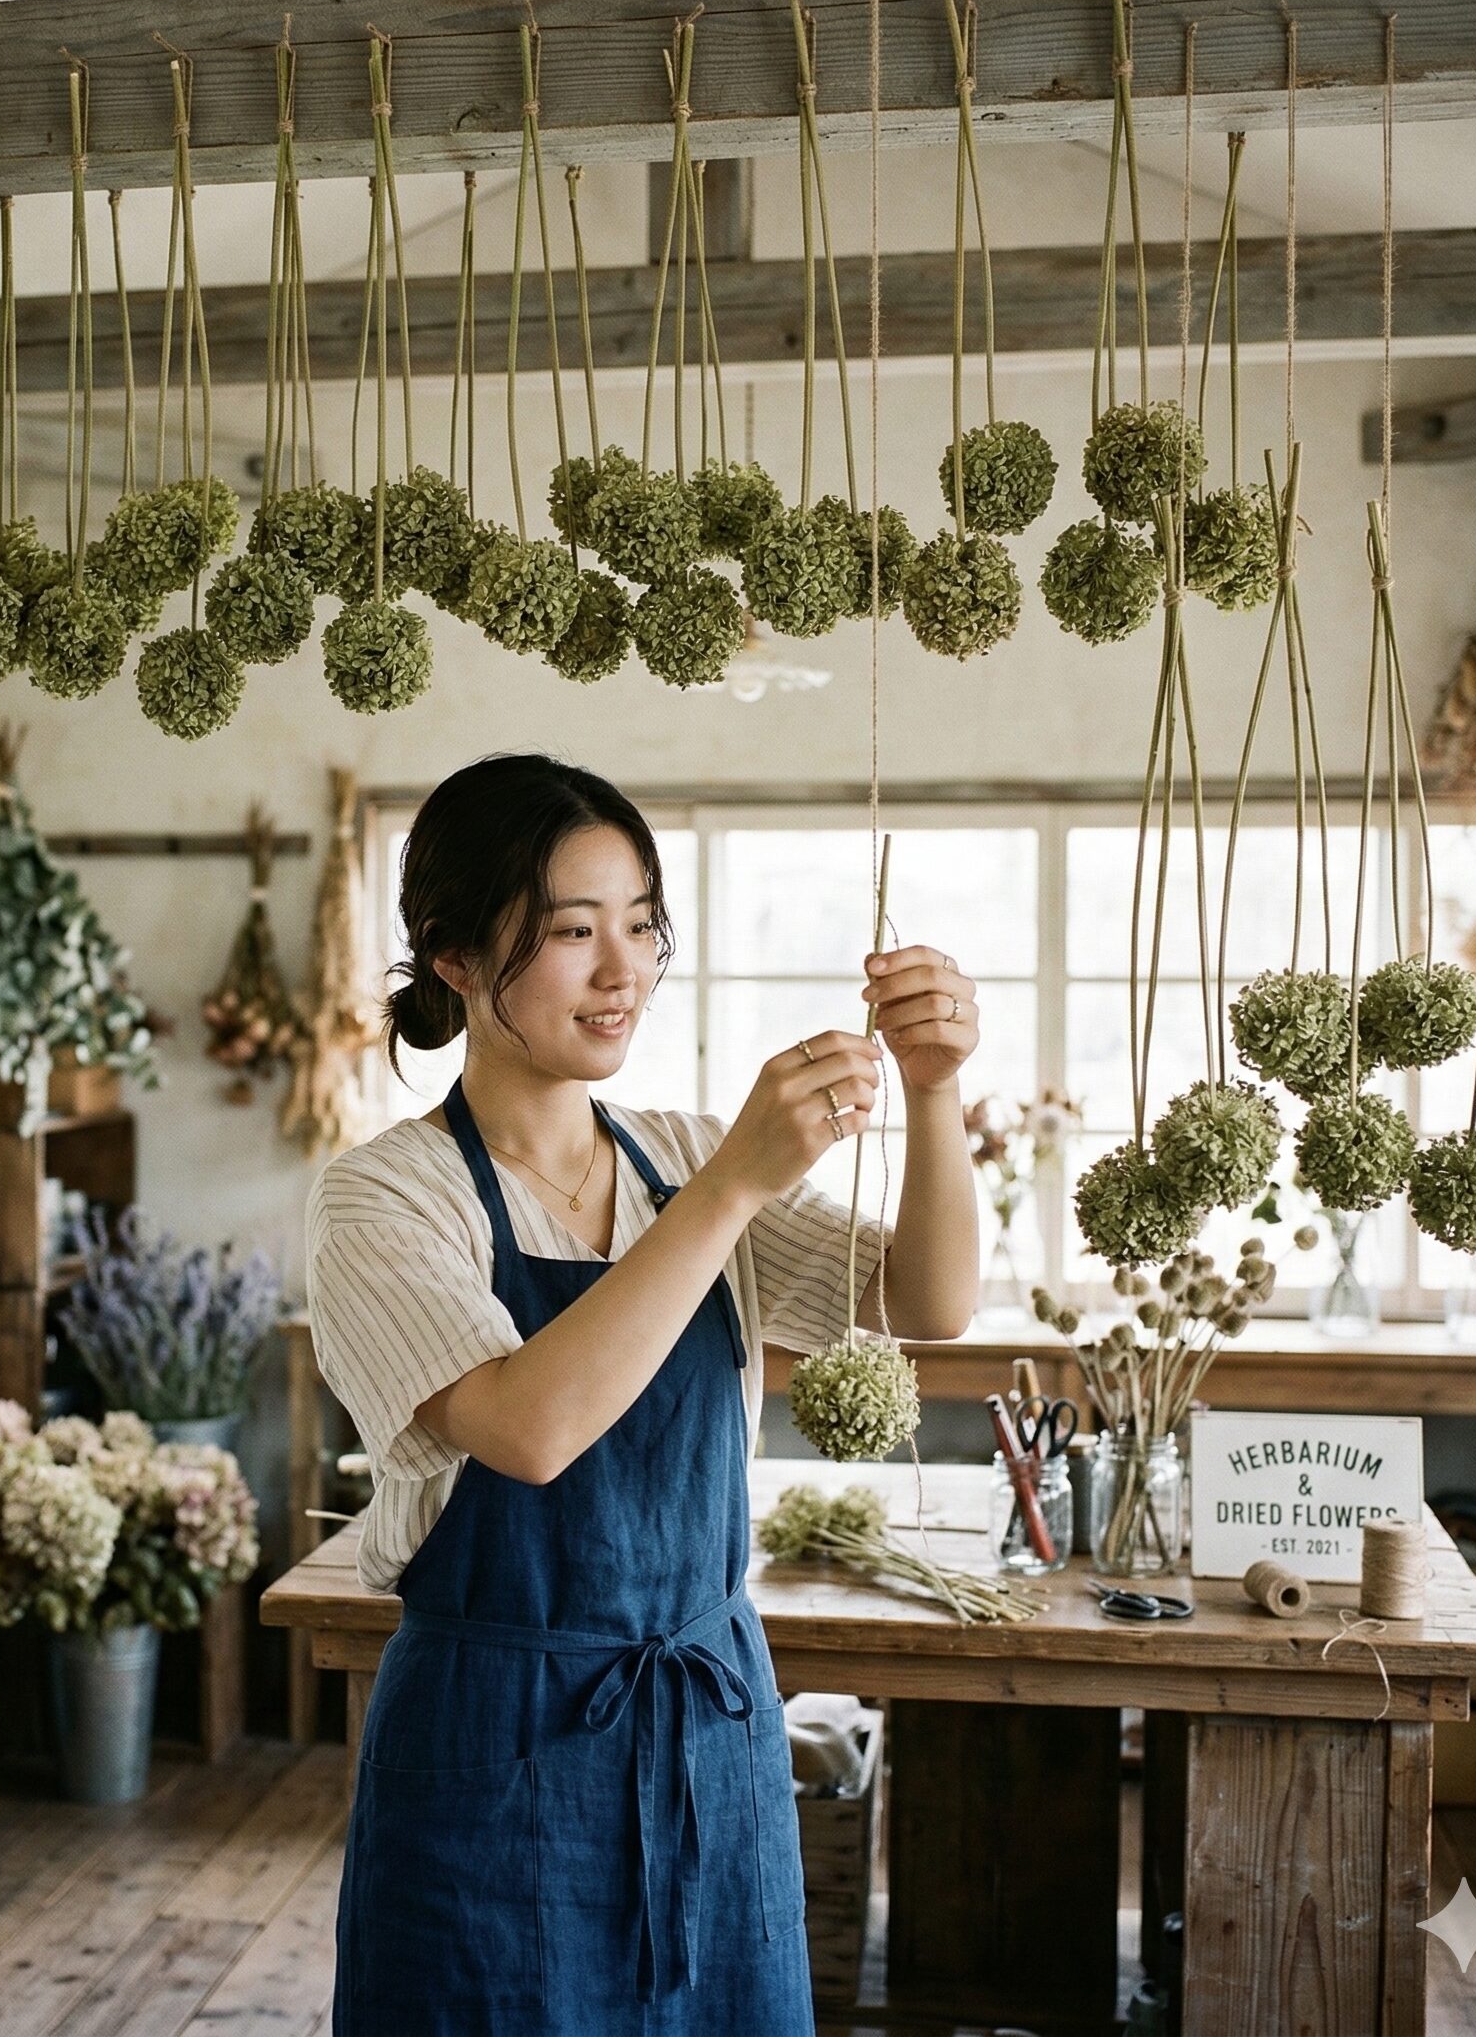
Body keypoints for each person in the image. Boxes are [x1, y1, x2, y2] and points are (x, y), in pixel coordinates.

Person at [307, 752, 980, 2034]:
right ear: (451, 955)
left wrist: (935, 1091)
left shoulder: (670, 1157)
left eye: (640, 926)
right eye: (571, 931)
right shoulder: (386, 1196)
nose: (621, 971)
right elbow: (528, 1426)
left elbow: (920, 1301)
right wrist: (734, 1185)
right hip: (495, 1756)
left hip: (710, 1731)